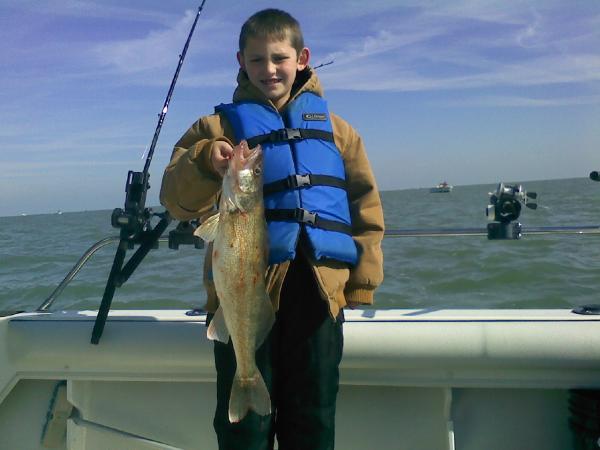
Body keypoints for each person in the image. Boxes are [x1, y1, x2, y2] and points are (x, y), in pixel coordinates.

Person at [160, 8, 384, 450]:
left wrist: (361, 284)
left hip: (319, 294)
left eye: (278, 58)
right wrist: (207, 159)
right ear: (240, 62)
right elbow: (175, 198)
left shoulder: (339, 132)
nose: (269, 69)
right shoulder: (215, 128)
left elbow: (365, 205)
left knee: (313, 418)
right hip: (245, 292)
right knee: (245, 433)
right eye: (257, 60)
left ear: (302, 58)